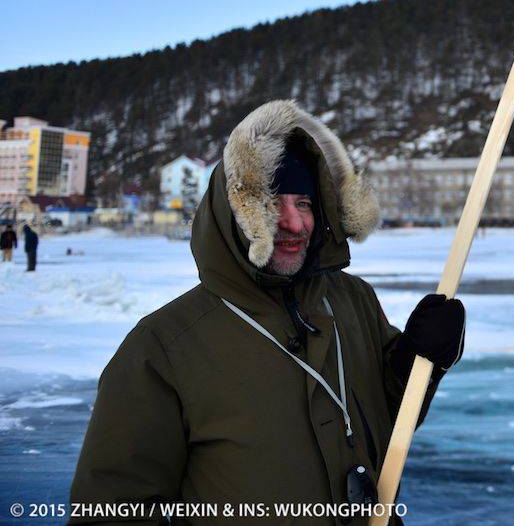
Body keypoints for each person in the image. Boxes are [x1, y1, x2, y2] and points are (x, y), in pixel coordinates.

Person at [70, 100, 466, 521]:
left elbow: (386, 417)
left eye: (306, 204)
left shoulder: (352, 300)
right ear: (239, 211)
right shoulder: (164, 347)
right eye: (273, 203)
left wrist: (418, 362)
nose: (294, 224)